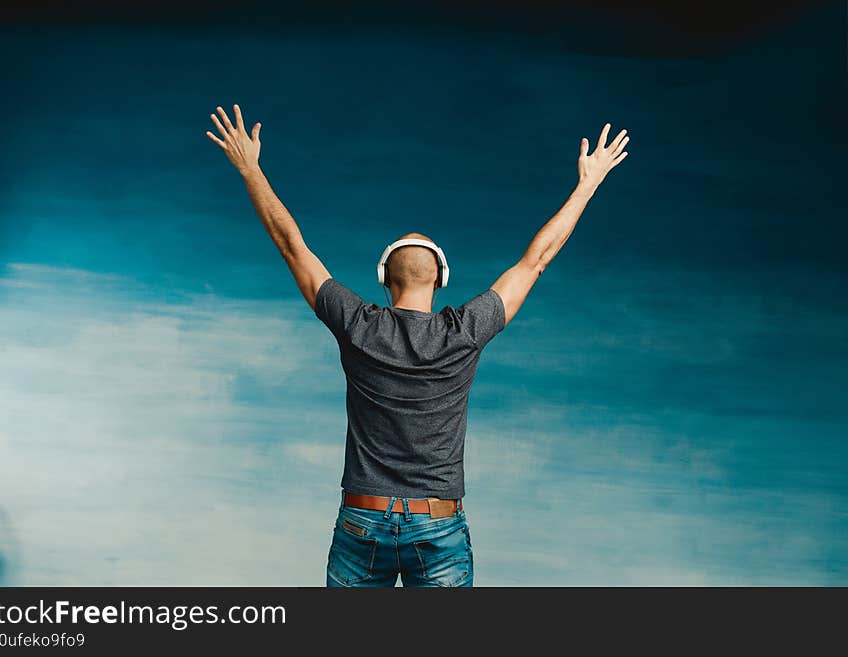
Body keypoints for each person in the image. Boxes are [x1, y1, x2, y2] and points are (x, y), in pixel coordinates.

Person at [206, 105, 629, 586]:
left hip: (363, 518)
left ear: (384, 279)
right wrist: (588, 184)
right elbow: (536, 261)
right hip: (438, 525)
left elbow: (291, 245)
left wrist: (250, 168)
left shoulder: (357, 325)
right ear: (441, 280)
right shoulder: (465, 331)